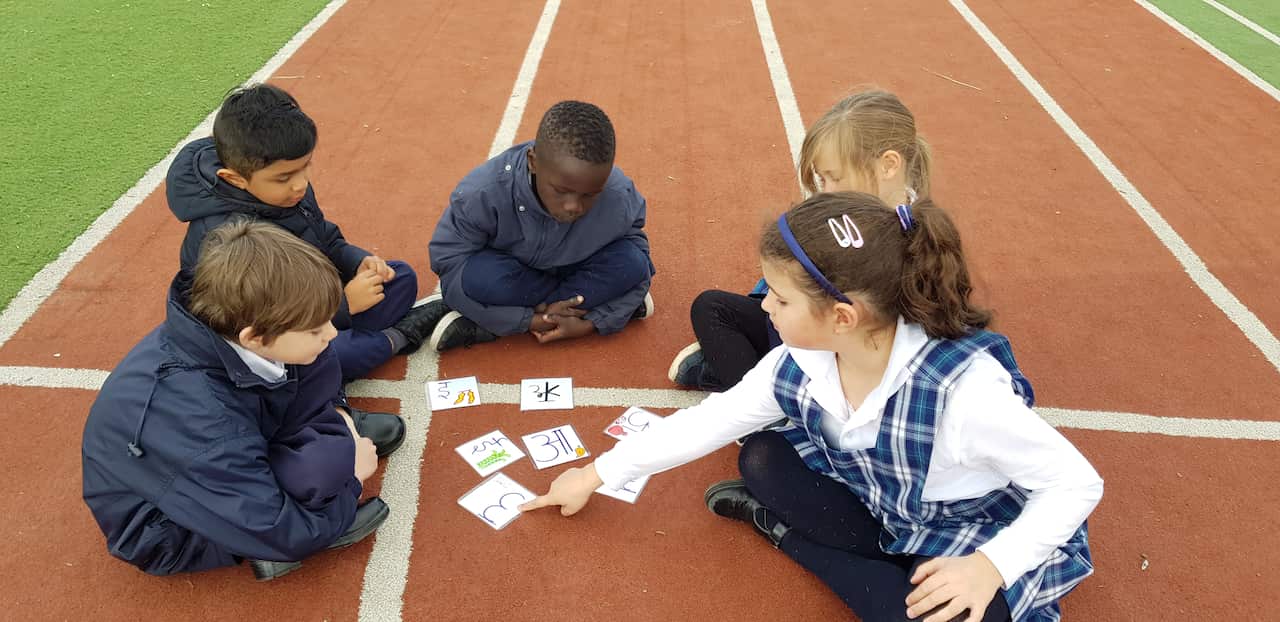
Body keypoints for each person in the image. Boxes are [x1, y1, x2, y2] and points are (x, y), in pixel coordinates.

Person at [523, 193, 1102, 622]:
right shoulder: (795, 364)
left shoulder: (965, 395)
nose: (764, 306)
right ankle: (867, 557)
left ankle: (786, 536)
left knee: (951, 615)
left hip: (968, 528)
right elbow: (707, 423)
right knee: (761, 459)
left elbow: (1076, 484)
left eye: (778, 296)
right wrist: (593, 474)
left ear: (842, 317)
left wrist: (991, 566)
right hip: (880, 502)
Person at [82, 221, 404, 582]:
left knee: (325, 425)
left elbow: (315, 374)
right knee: (327, 469)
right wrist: (354, 481)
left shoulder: (236, 325)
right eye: (316, 328)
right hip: (165, 530)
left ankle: (319, 467)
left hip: (230, 443)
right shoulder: (205, 424)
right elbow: (283, 529)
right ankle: (253, 548)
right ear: (254, 338)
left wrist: (341, 415)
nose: (331, 332)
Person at [166, 83, 447, 382]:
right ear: (234, 179)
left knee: (399, 277)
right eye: (285, 177)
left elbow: (323, 236)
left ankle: (350, 338)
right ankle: (398, 336)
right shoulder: (226, 237)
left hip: (315, 297)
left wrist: (357, 260)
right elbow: (258, 323)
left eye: (306, 167)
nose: (301, 184)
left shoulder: (285, 190)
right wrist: (343, 306)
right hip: (269, 333)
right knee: (334, 355)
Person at [670, 89, 929, 392]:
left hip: (834, 350)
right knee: (710, 306)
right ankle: (748, 381)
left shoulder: (912, 238)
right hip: (797, 329)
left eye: (835, 177)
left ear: (887, 165)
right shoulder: (839, 212)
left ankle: (749, 388)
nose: (826, 190)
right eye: (822, 179)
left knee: (765, 411)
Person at [427, 100, 654, 351]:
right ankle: (587, 308)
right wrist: (528, 320)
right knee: (477, 278)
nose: (573, 206)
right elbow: (450, 266)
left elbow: (638, 258)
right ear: (533, 162)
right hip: (516, 278)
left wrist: (591, 323)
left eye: (590, 194)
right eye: (561, 191)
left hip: (577, 270)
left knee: (631, 263)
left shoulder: (618, 194)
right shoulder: (482, 193)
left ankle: (493, 324)